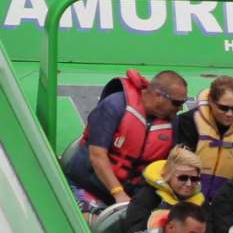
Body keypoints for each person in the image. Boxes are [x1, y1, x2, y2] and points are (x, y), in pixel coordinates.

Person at [61, 68, 188, 207]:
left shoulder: (172, 123)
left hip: (132, 195)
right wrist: (118, 193)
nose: (180, 109)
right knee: (93, 222)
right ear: (158, 95)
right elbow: (97, 155)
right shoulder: (114, 105)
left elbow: (168, 165)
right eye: (177, 103)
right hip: (89, 187)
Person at [174, 75, 233, 197]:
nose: (230, 114)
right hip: (187, 197)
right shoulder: (187, 122)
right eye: (223, 108)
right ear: (210, 101)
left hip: (225, 202)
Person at [120, 147, 204, 233]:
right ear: (168, 175)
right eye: (182, 178)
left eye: (194, 179)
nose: (188, 184)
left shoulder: (200, 205)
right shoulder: (147, 197)